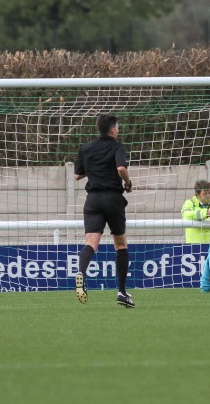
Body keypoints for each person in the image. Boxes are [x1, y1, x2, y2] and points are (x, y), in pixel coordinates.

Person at [73, 114, 134, 308]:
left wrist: (94, 169)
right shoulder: (117, 147)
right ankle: (122, 292)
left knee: (91, 242)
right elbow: (121, 168)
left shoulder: (86, 148)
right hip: (112, 199)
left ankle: (81, 272)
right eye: (118, 128)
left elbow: (77, 175)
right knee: (120, 244)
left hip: (93, 200)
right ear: (113, 130)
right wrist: (128, 182)